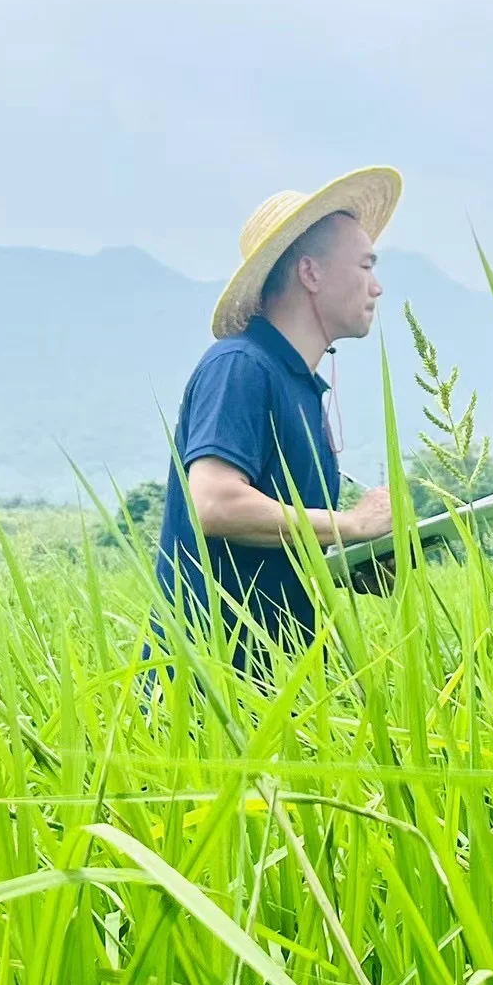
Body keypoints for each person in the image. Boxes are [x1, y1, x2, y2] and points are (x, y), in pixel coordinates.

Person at [151, 166, 403, 673]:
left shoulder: (301, 387)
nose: (376, 287)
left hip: (281, 676)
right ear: (311, 274)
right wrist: (352, 524)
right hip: (214, 685)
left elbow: (277, 538)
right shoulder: (242, 366)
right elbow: (214, 503)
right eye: (365, 266)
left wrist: (352, 559)